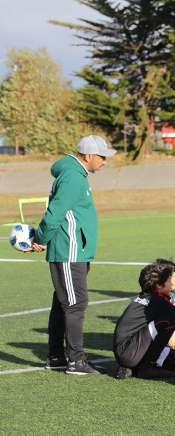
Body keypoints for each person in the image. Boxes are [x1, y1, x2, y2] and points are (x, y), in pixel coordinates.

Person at [32, 135, 116, 375]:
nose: (105, 161)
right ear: (88, 156)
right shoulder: (72, 177)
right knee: (75, 304)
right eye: (102, 157)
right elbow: (55, 213)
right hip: (69, 251)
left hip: (76, 250)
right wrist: (41, 239)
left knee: (64, 303)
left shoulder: (77, 174)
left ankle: (57, 357)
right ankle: (75, 361)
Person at [113, 260, 175, 379]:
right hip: (129, 351)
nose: (172, 281)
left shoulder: (149, 297)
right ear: (159, 285)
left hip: (128, 349)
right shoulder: (158, 302)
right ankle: (146, 368)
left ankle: (133, 368)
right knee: (169, 321)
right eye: (169, 279)